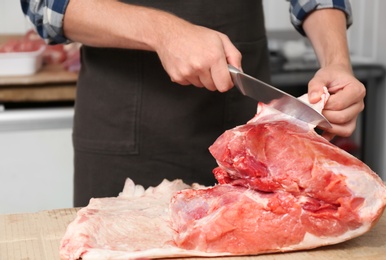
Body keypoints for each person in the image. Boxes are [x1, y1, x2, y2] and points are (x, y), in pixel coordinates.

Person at [21, 0, 366, 207]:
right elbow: (46, 7)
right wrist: (162, 32)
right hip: (125, 129)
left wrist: (336, 61)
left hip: (249, 131)